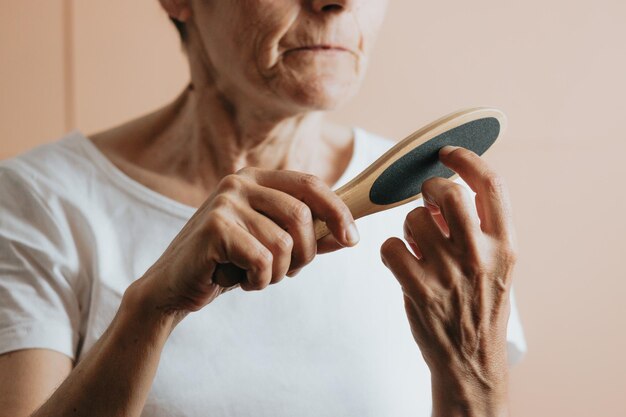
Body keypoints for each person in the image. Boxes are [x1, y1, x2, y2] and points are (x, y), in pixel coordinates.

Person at [0, 1, 526, 416]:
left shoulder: (435, 211)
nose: (337, 2)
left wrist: (475, 377)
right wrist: (150, 309)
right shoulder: (40, 201)